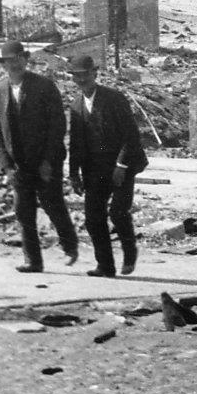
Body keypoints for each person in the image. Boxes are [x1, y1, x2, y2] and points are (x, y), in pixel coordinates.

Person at [0, 40, 78, 273]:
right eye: (9, 61)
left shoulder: (44, 87)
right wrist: (6, 166)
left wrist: (48, 161)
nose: (14, 65)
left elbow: (57, 125)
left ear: (26, 60)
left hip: (46, 160)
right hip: (19, 164)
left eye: (18, 59)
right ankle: (33, 261)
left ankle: (70, 246)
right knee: (23, 211)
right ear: (4, 65)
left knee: (53, 204)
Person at [66, 55, 148, 278]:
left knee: (118, 212)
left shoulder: (114, 99)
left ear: (95, 73)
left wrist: (121, 165)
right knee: (93, 219)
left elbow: (131, 135)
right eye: (77, 76)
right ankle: (105, 265)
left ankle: (129, 251)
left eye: (85, 74)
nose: (81, 80)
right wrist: (74, 174)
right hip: (95, 169)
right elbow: (75, 143)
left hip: (123, 163)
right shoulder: (76, 106)